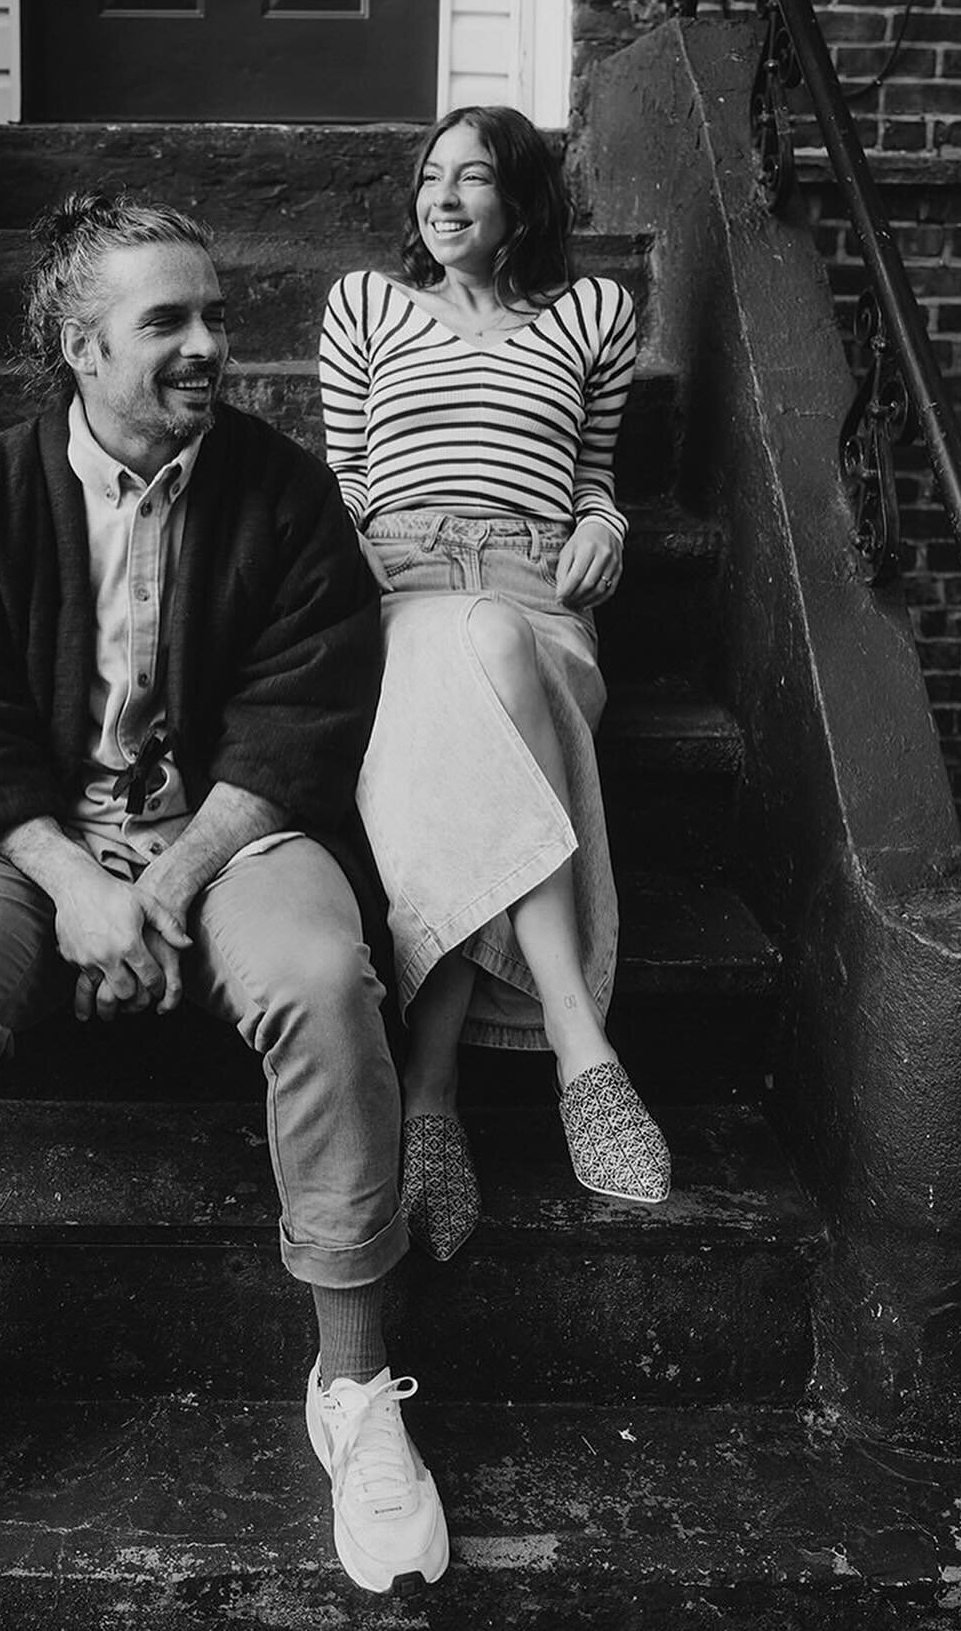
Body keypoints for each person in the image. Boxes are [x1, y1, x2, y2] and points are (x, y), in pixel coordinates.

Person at [0, 194, 449, 1605]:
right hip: (18, 840)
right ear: (81, 348)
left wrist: (162, 882)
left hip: (230, 833)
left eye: (214, 315)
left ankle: (353, 1385)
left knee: (327, 983)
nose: (211, 345)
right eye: (170, 322)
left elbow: (304, 713)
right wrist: (74, 886)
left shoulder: (277, 492)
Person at [318, 105, 671, 1264]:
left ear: (523, 201)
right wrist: (363, 550)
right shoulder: (367, 305)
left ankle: (428, 1100)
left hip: (534, 587)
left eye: (475, 177)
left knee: (505, 654)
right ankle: (584, 1049)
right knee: (479, 656)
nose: (445, 195)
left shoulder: (594, 316)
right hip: (405, 587)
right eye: (431, 176)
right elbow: (346, 477)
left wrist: (608, 529)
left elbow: (597, 478)